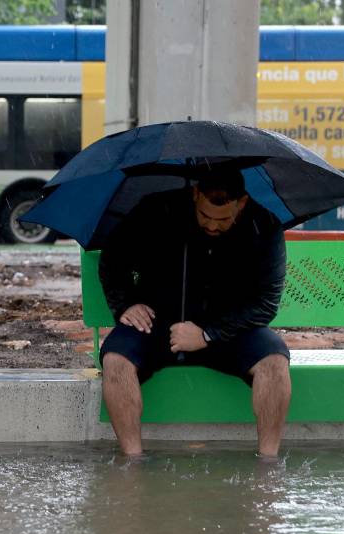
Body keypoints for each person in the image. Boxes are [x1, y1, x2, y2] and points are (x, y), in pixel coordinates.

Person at [98, 167, 291, 458]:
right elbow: (113, 260)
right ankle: (132, 462)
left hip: (230, 330)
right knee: (115, 360)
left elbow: (266, 303)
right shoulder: (155, 209)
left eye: (223, 220)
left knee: (275, 362)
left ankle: (268, 463)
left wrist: (207, 334)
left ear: (241, 203)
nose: (212, 226)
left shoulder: (265, 225)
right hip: (157, 325)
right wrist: (126, 304)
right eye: (204, 216)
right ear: (195, 194)